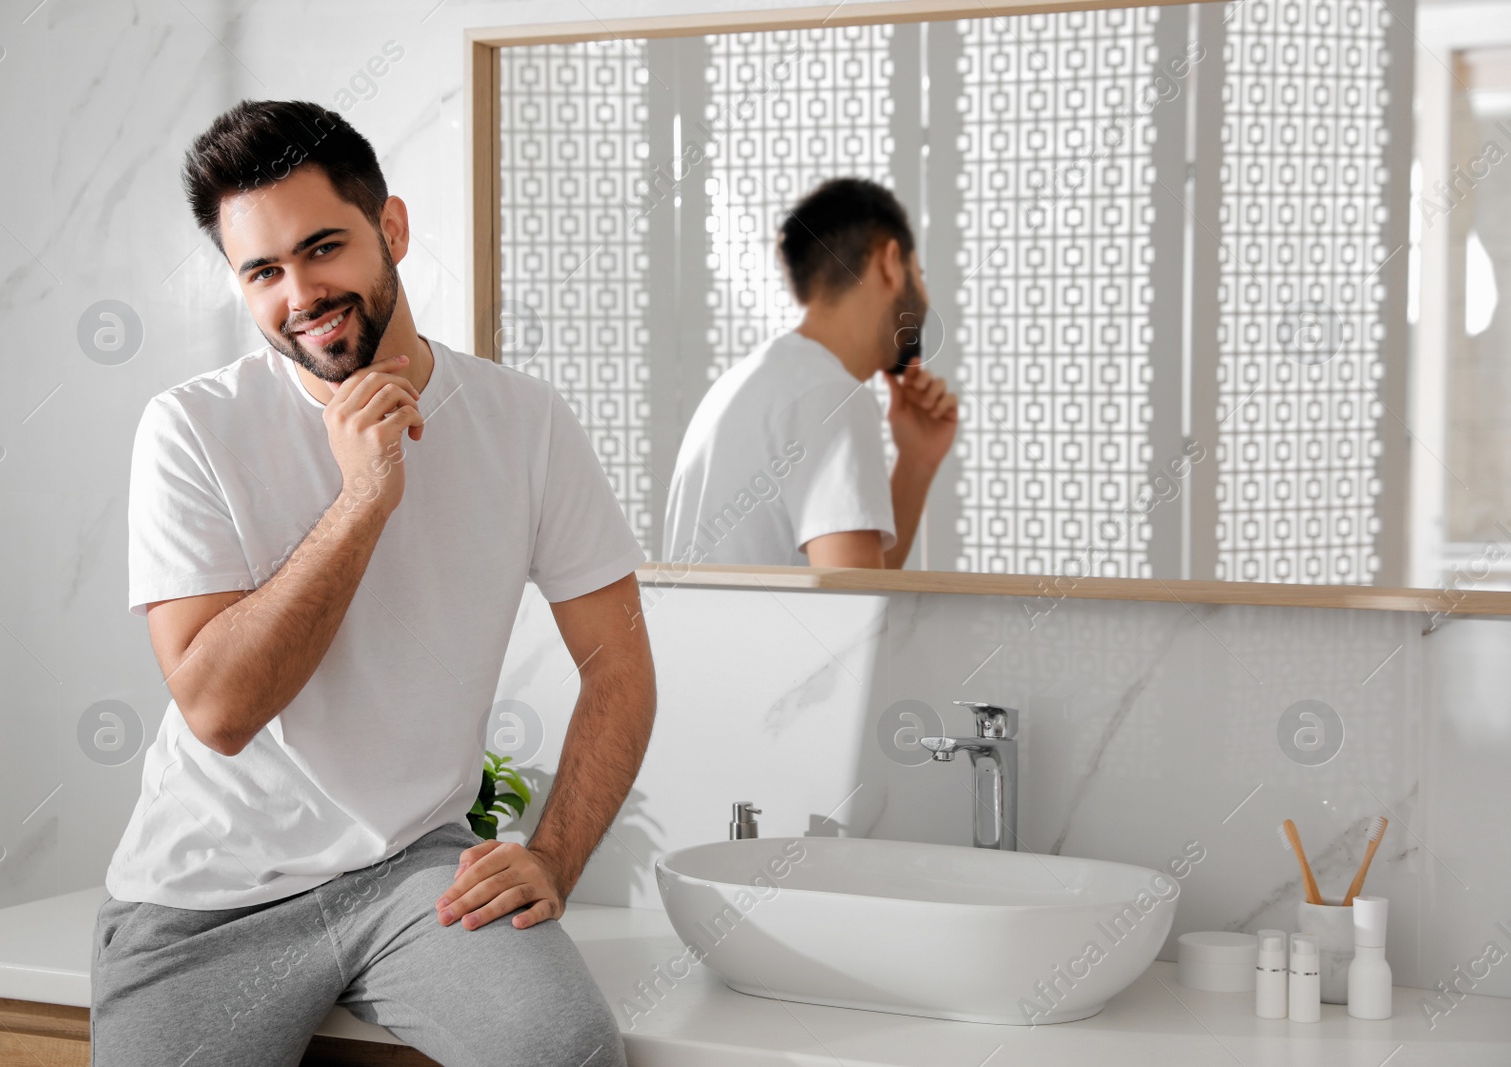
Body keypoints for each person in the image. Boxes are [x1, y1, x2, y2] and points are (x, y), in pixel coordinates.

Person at [90, 99, 653, 1067]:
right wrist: (362, 496)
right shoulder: (189, 428)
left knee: (566, 1049)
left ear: (390, 228)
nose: (301, 291)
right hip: (205, 900)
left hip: (412, 876)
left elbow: (619, 669)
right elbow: (220, 708)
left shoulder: (525, 422)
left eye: (323, 247)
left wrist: (554, 855)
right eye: (263, 271)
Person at [661, 177, 959, 569]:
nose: (924, 296)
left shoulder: (748, 382)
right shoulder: (832, 395)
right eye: (918, 273)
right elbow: (855, 614)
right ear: (890, 263)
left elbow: (865, 583)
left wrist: (916, 462)